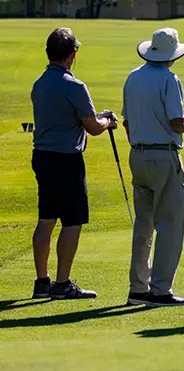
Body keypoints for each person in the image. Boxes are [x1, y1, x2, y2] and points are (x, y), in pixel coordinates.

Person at [30, 27, 118, 300]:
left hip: (43, 156)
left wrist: (96, 117)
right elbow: (92, 127)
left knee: (46, 219)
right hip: (66, 159)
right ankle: (62, 283)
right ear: (72, 54)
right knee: (72, 222)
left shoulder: (39, 83)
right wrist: (108, 121)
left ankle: (42, 281)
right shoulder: (75, 86)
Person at [121, 28, 184, 307]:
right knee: (170, 224)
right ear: (172, 55)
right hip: (163, 156)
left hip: (138, 155)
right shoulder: (169, 79)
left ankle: (138, 288)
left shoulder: (133, 77)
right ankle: (160, 290)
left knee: (144, 224)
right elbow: (177, 121)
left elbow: (127, 122)